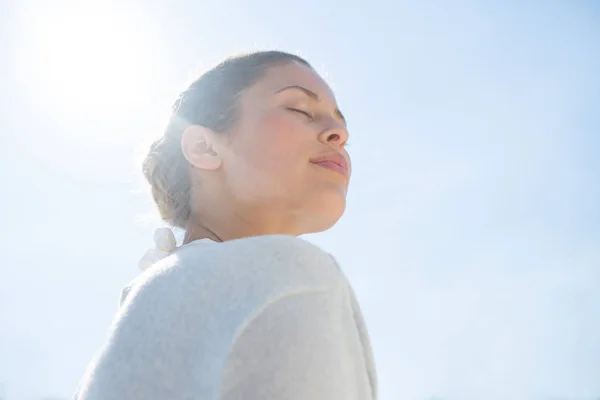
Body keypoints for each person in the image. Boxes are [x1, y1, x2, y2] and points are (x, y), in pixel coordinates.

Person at [74, 50, 377, 400]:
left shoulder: (151, 303)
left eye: (343, 127)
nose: (339, 132)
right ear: (203, 146)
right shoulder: (290, 276)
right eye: (299, 110)